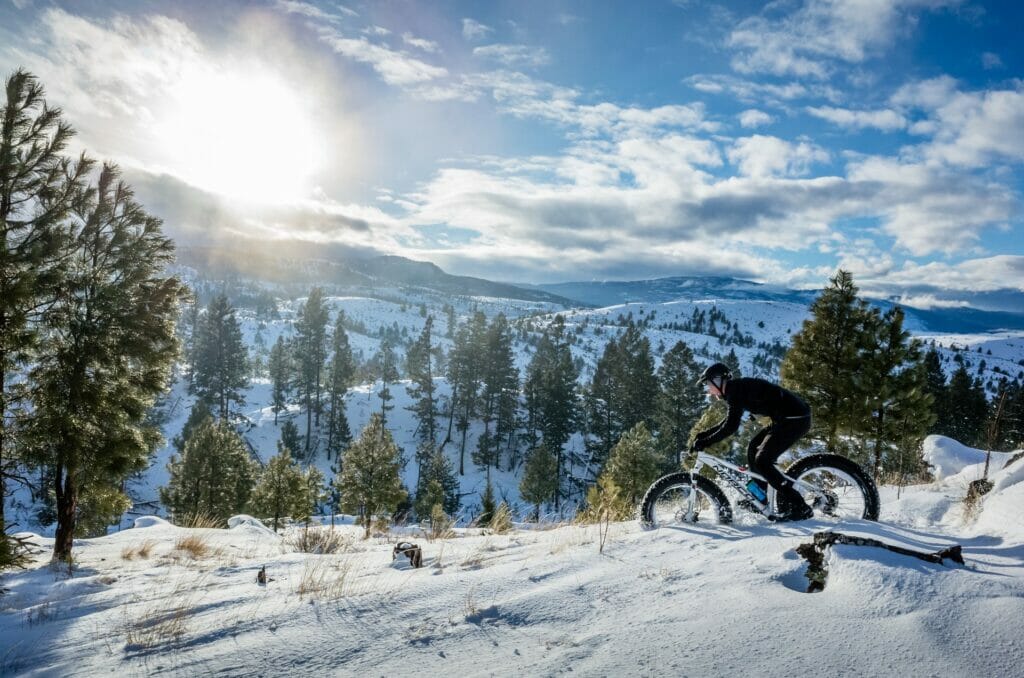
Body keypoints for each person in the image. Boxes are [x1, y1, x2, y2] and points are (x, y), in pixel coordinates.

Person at [692, 363, 814, 522]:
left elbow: (731, 427)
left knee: (762, 461)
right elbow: (728, 421)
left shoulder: (734, 392)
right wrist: (704, 435)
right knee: (753, 449)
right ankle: (760, 498)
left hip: (795, 420)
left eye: (708, 383)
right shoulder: (734, 390)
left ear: (718, 380)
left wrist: (706, 441)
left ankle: (801, 507)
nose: (708, 389)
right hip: (783, 418)